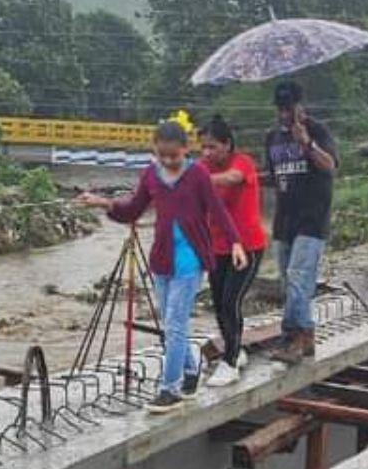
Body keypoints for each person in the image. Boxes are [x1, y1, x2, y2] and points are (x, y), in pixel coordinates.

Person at [79, 121, 248, 413]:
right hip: (162, 258)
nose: (169, 161)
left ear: (186, 149)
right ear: (155, 152)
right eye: (163, 156)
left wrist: (234, 243)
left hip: (190, 258)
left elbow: (218, 211)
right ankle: (191, 373)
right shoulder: (151, 175)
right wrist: (103, 203)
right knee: (172, 326)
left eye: (174, 156)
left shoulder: (197, 174)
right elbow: (133, 208)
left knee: (174, 325)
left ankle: (169, 388)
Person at [264, 81, 338, 364]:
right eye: (280, 109)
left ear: (300, 106)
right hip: (284, 221)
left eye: (290, 108)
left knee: (298, 278)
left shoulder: (317, 130)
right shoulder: (272, 138)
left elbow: (330, 166)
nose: (285, 114)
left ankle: (291, 337)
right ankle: (306, 336)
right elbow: (272, 178)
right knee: (290, 283)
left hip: (312, 220)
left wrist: (306, 142)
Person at [197, 115, 265, 387]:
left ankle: (230, 361)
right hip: (217, 247)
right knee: (218, 303)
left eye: (212, 147)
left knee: (230, 301)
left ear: (227, 144)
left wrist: (203, 181)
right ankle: (236, 351)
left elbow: (234, 178)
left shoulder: (242, 162)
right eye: (203, 147)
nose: (207, 153)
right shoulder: (203, 167)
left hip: (247, 246)